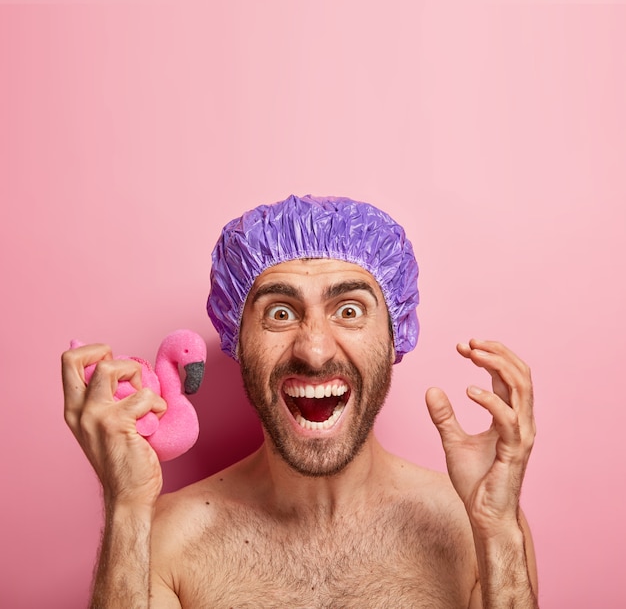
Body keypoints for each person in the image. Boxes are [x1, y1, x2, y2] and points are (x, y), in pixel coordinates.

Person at [62, 195, 538, 608]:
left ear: (394, 337)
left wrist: (497, 530)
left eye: (349, 310)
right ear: (237, 341)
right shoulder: (165, 540)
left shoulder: (477, 529)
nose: (314, 350)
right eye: (280, 312)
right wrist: (124, 506)